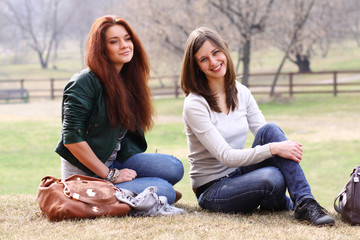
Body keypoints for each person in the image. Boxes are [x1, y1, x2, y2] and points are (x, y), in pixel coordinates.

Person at [180, 27, 334, 226]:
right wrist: (274, 148)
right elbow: (225, 156)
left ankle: (305, 201)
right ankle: (282, 202)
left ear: (225, 50)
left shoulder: (240, 92)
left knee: (270, 130)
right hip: (213, 189)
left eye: (216, 52)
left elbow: (266, 134)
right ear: (196, 66)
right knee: (272, 178)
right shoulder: (195, 104)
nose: (213, 62)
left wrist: (275, 146)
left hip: (239, 173)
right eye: (203, 59)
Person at [55, 15, 184, 205]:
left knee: (174, 168)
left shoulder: (127, 80)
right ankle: (122, 193)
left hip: (114, 161)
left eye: (127, 38)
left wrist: (115, 170)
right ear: (101, 48)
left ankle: (143, 191)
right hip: (87, 176)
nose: (124, 45)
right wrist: (110, 175)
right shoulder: (83, 83)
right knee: (165, 190)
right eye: (114, 41)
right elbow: (72, 140)